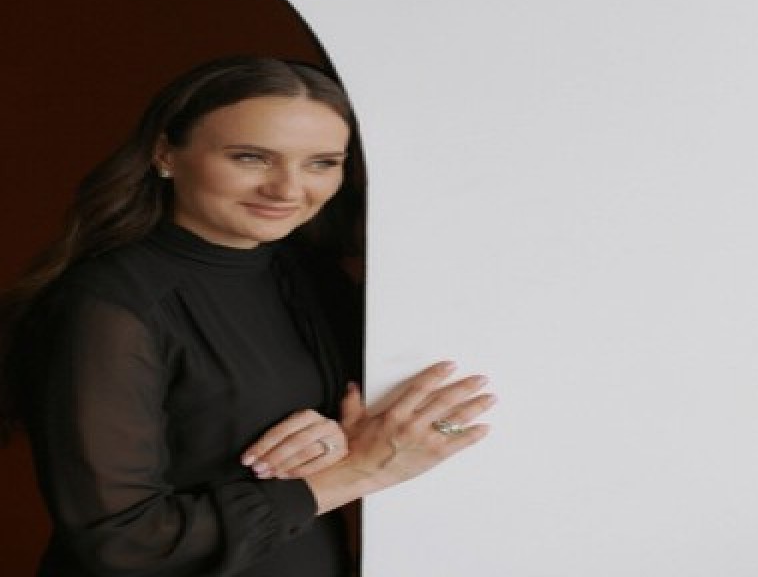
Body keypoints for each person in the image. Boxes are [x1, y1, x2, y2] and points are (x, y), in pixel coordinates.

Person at [0, 55, 494, 577]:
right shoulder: (106, 306)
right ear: (166, 153)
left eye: (321, 163)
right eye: (251, 158)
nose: (288, 189)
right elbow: (124, 543)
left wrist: (340, 438)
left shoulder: (311, 276)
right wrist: (355, 472)